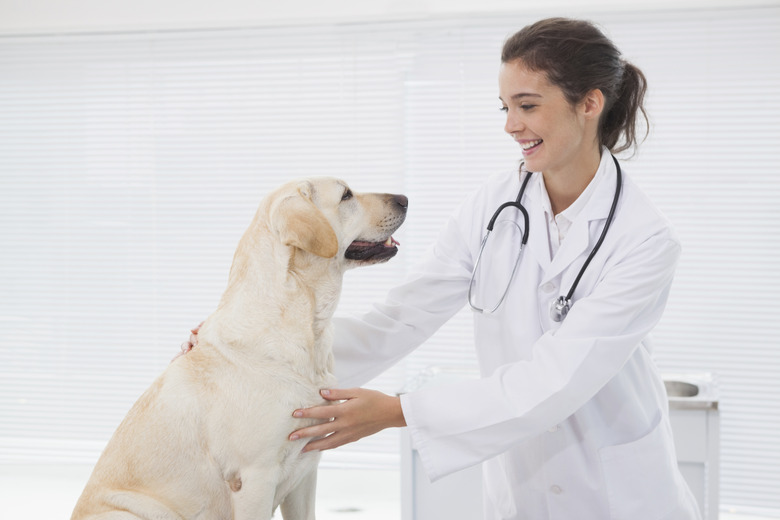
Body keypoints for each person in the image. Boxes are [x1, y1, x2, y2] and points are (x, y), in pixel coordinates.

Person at [183, 17, 701, 520]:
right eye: (505, 106)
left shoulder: (645, 240)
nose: (510, 125)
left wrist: (397, 411)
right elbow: (401, 318)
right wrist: (245, 346)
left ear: (590, 103)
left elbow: (556, 381)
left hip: (618, 494)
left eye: (527, 105)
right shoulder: (496, 205)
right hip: (522, 489)